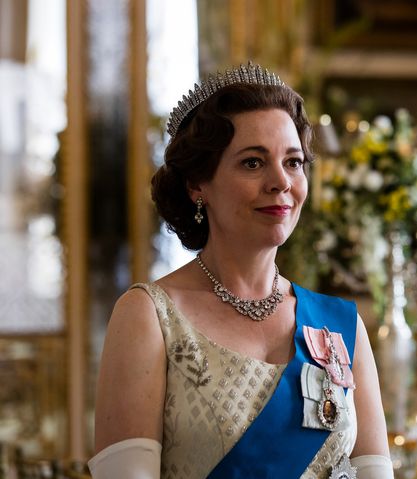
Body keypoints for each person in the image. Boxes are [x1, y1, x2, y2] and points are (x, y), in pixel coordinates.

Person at [88, 62, 394, 479]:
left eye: (293, 162)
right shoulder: (149, 316)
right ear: (198, 184)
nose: (281, 182)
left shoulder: (340, 327)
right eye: (253, 163)